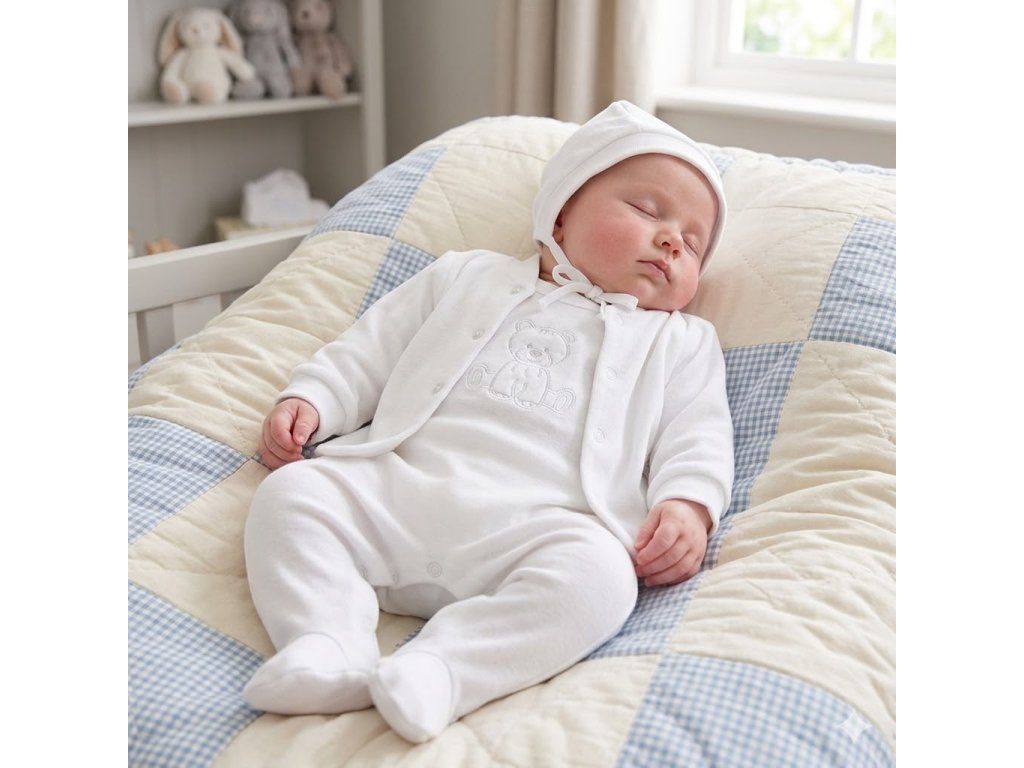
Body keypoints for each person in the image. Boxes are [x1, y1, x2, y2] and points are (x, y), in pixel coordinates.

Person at [242, 100, 735, 743]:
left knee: (602, 580)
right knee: (291, 495)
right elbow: (372, 348)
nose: (672, 239)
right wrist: (315, 399)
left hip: (540, 526)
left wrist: (689, 506)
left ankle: (442, 671)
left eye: (693, 243)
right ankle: (326, 645)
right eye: (647, 210)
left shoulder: (680, 342)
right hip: (399, 488)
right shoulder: (466, 275)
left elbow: (698, 435)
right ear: (561, 213)